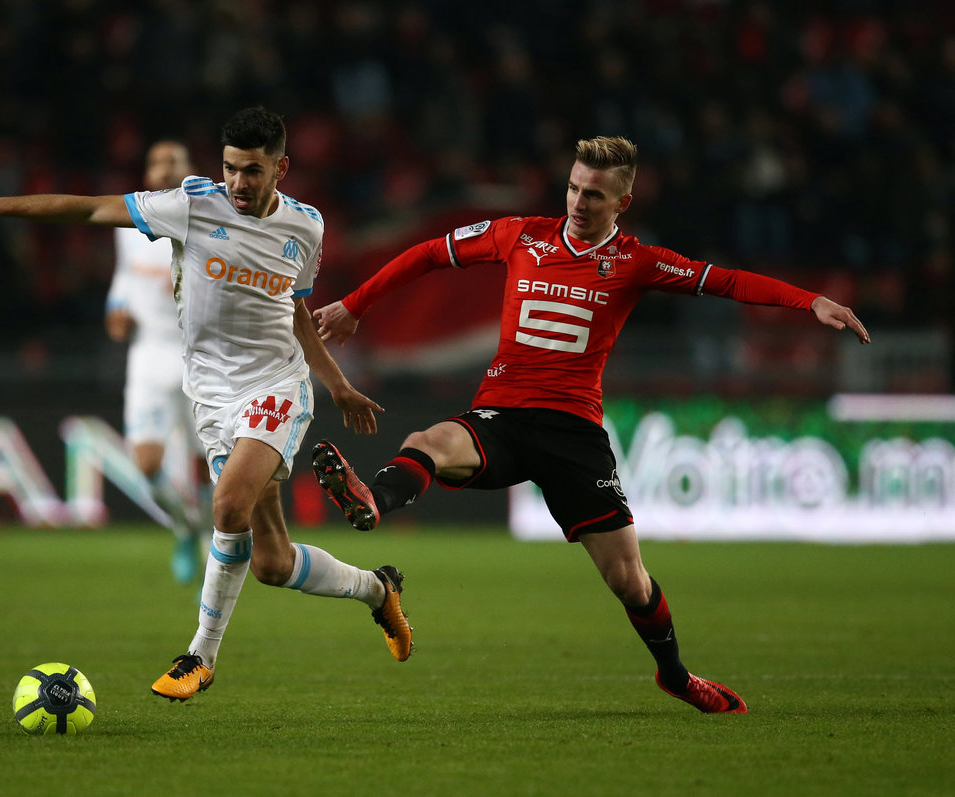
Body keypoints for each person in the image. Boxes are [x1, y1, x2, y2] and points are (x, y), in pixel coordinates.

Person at [310, 135, 872, 715]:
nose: (579, 203)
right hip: (502, 415)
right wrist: (355, 304)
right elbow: (430, 252)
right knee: (428, 441)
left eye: (595, 195)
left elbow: (726, 281)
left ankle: (676, 677)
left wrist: (810, 302)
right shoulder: (520, 235)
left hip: (574, 435)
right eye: (574, 188)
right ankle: (373, 501)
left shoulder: (637, 261)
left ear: (622, 203)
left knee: (630, 581)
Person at [0, 107, 413, 703]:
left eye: (253, 171)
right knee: (272, 564)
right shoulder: (191, 206)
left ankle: (200, 656)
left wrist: (334, 382)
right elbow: (87, 208)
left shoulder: (306, 226)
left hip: (276, 386)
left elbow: (296, 307)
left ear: (281, 169)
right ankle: (378, 589)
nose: (238, 183)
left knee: (227, 506)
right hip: (211, 397)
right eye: (230, 168)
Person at [105, 139, 212, 585]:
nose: (164, 168)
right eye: (156, 162)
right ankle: (185, 527)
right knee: (147, 465)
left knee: (207, 466)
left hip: (199, 357)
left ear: (190, 169)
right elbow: (124, 277)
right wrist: (116, 310)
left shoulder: (209, 222)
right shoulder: (129, 224)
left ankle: (210, 538)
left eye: (174, 161)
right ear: (147, 172)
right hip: (149, 355)